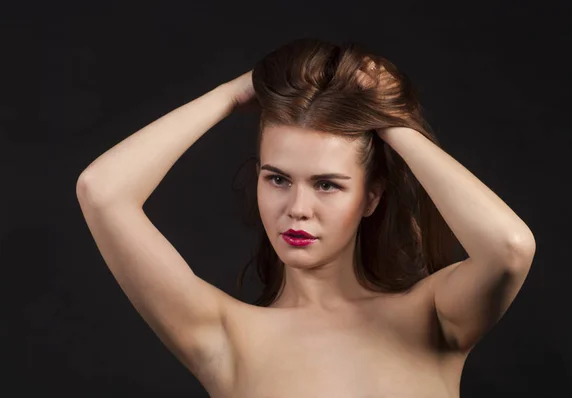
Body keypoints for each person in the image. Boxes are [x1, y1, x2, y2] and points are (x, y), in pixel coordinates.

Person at [76, 38, 536, 397]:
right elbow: (102, 191)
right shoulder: (223, 335)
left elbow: (509, 247)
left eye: (327, 184)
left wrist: (387, 120)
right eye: (277, 179)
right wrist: (235, 92)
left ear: (372, 197)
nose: (297, 207)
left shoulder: (433, 316)